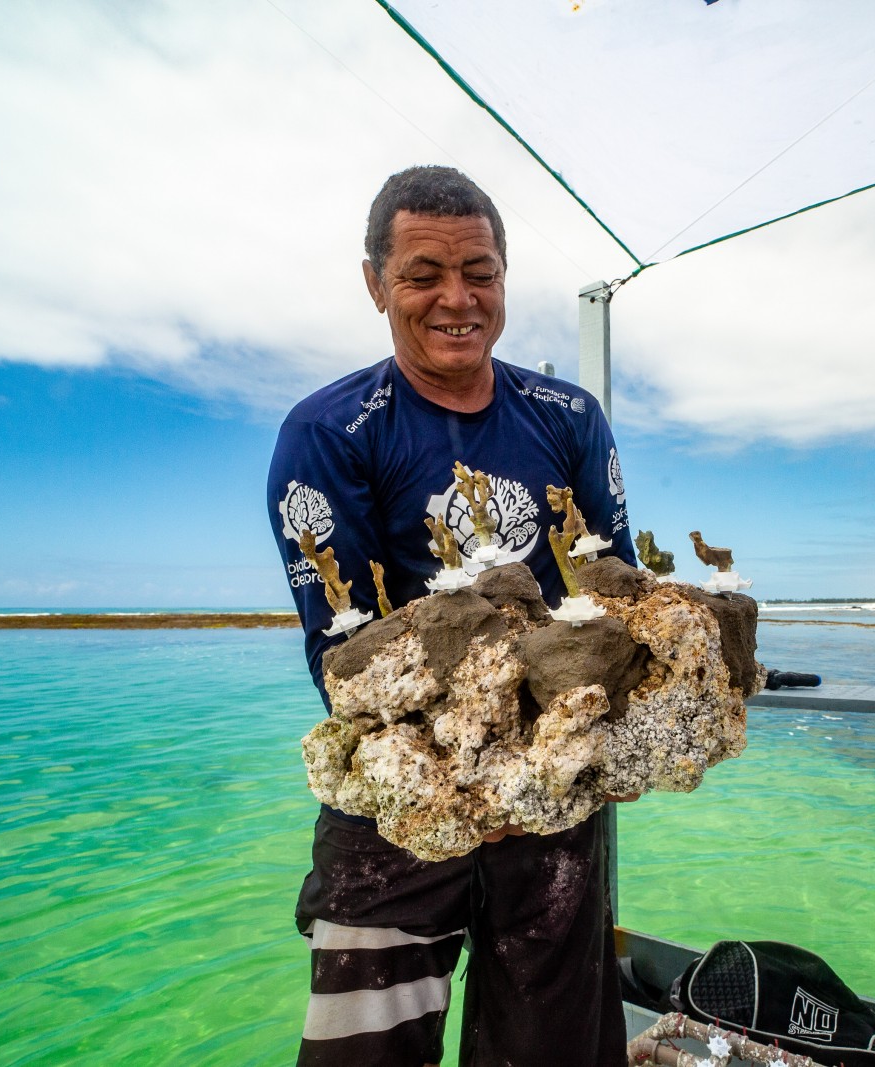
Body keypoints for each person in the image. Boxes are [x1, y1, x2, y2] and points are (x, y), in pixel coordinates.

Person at [266, 165, 636, 1067]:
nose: (457, 299)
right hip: (399, 811)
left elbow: (617, 602)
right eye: (423, 275)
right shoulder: (330, 433)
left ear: (505, 276)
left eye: (479, 272)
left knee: (551, 1050)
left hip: (549, 806)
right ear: (375, 284)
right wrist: (466, 784)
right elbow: (342, 658)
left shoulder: (568, 417)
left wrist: (560, 765)